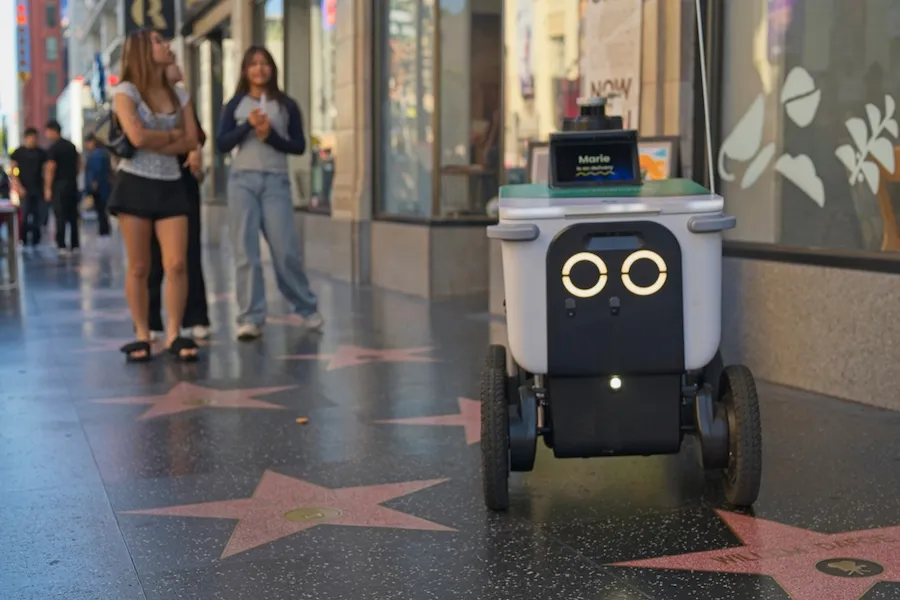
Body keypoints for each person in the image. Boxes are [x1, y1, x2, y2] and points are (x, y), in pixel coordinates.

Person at [216, 46, 323, 341]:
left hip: (276, 181)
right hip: (242, 182)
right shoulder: (235, 104)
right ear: (245, 70)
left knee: (285, 249)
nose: (259, 69)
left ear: (272, 68)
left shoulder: (286, 104)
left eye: (264, 64)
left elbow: (298, 145)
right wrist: (247, 127)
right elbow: (222, 144)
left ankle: (306, 306)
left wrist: (270, 136)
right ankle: (250, 317)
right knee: (245, 252)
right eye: (253, 64)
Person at [108, 29, 201, 363]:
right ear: (142, 52)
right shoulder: (126, 91)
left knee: (177, 262)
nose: (167, 45)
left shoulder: (179, 95)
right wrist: (172, 135)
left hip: (171, 183)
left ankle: (174, 332)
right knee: (139, 267)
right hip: (135, 184)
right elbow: (134, 136)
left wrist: (159, 137)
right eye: (159, 42)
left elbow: (192, 140)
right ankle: (143, 334)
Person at [147, 62, 211, 340]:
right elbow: (139, 139)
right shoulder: (137, 96)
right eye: (172, 61)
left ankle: (194, 315)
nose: (180, 66)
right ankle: (150, 320)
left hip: (183, 178)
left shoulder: (182, 97)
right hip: (149, 178)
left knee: (187, 253)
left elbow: (194, 137)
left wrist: (190, 148)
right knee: (150, 257)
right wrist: (179, 141)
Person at [44, 120, 81, 255]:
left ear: (53, 130)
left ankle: (61, 245)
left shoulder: (54, 148)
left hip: (59, 185)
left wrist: (48, 188)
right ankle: (75, 244)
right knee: (73, 216)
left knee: (60, 215)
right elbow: (79, 163)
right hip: (72, 184)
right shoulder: (71, 146)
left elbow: (50, 168)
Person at [9, 128, 48, 248]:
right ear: (26, 138)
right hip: (24, 189)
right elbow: (13, 171)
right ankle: (24, 240)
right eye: (31, 137)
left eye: (35, 138)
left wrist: (46, 187)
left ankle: (36, 240)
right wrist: (18, 186)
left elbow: (46, 170)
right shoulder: (18, 153)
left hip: (38, 188)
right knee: (24, 216)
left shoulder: (42, 153)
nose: (33, 140)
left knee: (39, 216)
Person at [82, 134, 112, 237]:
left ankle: (104, 231)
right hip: (104, 186)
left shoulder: (97, 154)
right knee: (102, 210)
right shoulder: (103, 153)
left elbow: (96, 170)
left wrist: (93, 184)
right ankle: (105, 230)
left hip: (99, 187)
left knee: (101, 210)